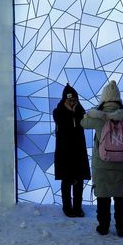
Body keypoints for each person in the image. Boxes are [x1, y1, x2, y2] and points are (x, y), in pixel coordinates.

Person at [81, 80, 123, 237]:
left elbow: (82, 123)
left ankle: (103, 227)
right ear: (118, 98)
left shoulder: (98, 117)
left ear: (104, 98)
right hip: (122, 163)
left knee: (103, 196)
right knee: (121, 197)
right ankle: (121, 227)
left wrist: (94, 111)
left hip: (102, 163)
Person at [52, 83, 91, 217]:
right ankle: (67, 207)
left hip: (78, 151)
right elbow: (59, 119)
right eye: (69, 100)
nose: (72, 102)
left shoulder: (80, 111)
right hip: (64, 151)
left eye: (74, 99)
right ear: (64, 100)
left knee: (78, 179)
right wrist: (69, 110)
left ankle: (78, 208)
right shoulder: (58, 111)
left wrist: (76, 110)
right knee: (66, 179)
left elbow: (86, 122)